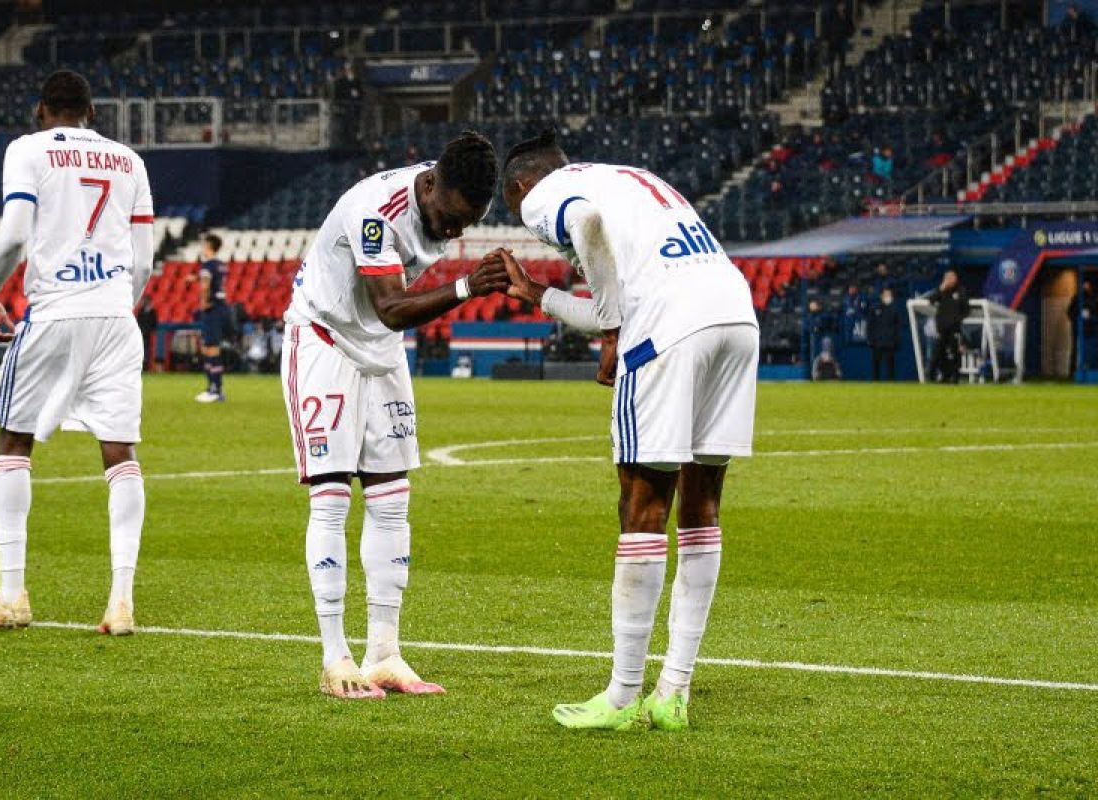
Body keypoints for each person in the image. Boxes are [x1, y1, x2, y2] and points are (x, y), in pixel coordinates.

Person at [495, 129, 759, 732]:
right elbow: (614, 279)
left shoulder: (549, 194)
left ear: (520, 188)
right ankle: (674, 693)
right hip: (734, 314)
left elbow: (583, 225)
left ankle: (621, 696)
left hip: (668, 327)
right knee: (703, 502)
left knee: (641, 505)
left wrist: (612, 324)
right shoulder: (632, 179)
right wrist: (542, 294)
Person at [283, 131, 509, 700]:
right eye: (450, 218)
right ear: (430, 184)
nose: (453, 232)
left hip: (379, 351)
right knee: (332, 496)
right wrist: (464, 286)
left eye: (467, 223)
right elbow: (388, 308)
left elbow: (387, 319)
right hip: (325, 338)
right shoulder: (376, 213)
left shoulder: (443, 201)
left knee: (391, 498)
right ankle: (336, 658)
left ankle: (384, 652)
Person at [0, 69, 155, 636]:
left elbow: (17, 233)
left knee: (13, 439)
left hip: (55, 312)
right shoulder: (130, 161)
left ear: (42, 109)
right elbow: (144, 260)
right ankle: (121, 602)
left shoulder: (27, 150)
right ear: (91, 112)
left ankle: (13, 593)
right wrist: (124, 304)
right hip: (117, 317)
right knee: (120, 451)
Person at [193, 233, 231, 402]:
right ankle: (214, 388)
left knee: (211, 348)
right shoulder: (221, 265)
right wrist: (194, 277)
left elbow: (206, 284)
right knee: (211, 347)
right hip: (222, 307)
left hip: (212, 309)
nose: (202, 248)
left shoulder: (207, 265)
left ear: (209, 246)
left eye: (204, 245)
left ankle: (214, 389)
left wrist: (204, 302)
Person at [927, 269, 969, 383]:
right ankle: (939, 376)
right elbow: (931, 300)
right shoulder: (942, 291)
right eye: (948, 278)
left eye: (952, 277)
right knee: (939, 353)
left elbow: (966, 309)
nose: (950, 280)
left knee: (955, 353)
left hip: (954, 329)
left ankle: (955, 378)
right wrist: (941, 289)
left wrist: (956, 319)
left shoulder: (961, 291)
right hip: (941, 329)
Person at [867, 287, 902, 380]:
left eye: (889, 295)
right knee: (876, 365)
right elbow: (870, 325)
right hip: (877, 342)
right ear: (881, 296)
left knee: (890, 365)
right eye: (886, 295)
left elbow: (897, 327)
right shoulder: (875, 308)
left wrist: (897, 340)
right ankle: (876, 382)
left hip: (890, 342)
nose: (888, 297)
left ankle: (891, 383)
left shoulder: (895, 310)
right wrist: (870, 339)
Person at [136, 294, 159, 369]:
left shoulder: (153, 311)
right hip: (141, 333)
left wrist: (149, 330)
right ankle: (141, 363)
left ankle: (146, 364)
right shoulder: (141, 311)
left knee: (147, 349)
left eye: (146, 300)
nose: (144, 302)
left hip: (148, 334)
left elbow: (154, 323)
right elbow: (138, 321)